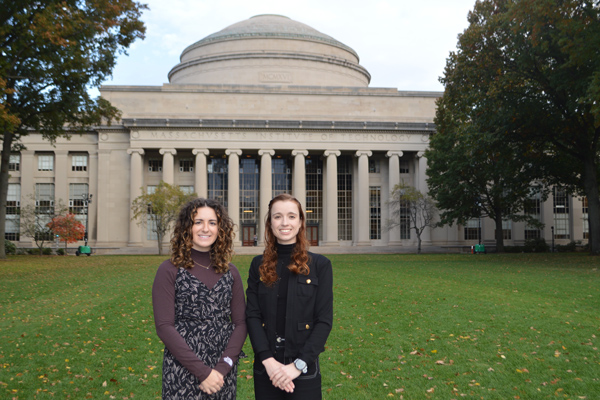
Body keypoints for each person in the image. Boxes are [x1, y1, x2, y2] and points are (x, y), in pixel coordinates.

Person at [152, 198, 247, 399]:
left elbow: (241, 323)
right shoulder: (169, 270)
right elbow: (164, 326)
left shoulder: (231, 272)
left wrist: (222, 368)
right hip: (183, 367)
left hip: (222, 373)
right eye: (198, 222)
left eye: (212, 223)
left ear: (220, 228)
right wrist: (203, 372)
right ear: (187, 227)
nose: (206, 228)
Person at [246, 194, 333, 399]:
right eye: (277, 216)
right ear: (270, 223)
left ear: (301, 222)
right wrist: (268, 361)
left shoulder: (320, 265)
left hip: (304, 370)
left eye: (292, 216)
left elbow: (324, 320)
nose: (285, 222)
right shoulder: (257, 264)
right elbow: (252, 316)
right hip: (267, 369)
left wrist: (297, 366)